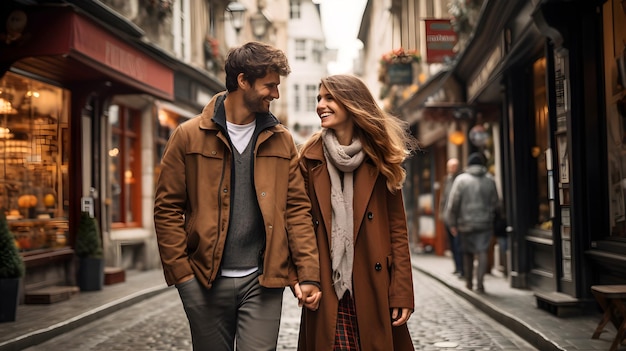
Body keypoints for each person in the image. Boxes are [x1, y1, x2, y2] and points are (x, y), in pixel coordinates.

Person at [154, 41, 322, 351]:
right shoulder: (187, 136)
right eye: (269, 85)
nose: (276, 94)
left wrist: (308, 273)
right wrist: (183, 278)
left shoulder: (282, 140)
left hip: (263, 282)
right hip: (204, 281)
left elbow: (297, 211)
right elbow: (167, 210)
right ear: (243, 81)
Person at [297, 74, 418, 350]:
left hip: (374, 285)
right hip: (328, 286)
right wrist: (303, 277)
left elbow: (397, 230)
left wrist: (402, 292)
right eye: (319, 98)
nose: (320, 105)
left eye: (329, 98)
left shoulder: (381, 156)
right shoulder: (309, 158)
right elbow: (299, 222)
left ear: (351, 103)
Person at [445, 152, 499, 294]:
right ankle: (480, 285)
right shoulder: (490, 180)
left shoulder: (461, 180)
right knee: (482, 252)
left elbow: (453, 204)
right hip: (485, 224)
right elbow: (495, 203)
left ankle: (469, 282)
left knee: (467, 252)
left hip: (465, 224)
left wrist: (452, 223)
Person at [439, 157, 462, 277]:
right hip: (447, 217)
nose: (452, 169)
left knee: (458, 244)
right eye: (450, 166)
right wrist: (441, 214)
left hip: (457, 219)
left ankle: (461, 268)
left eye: (454, 166)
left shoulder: (460, 179)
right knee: (452, 245)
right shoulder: (446, 179)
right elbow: (443, 198)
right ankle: (457, 267)